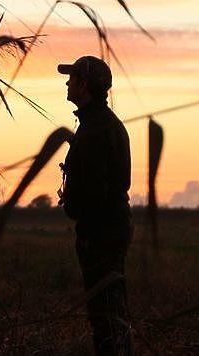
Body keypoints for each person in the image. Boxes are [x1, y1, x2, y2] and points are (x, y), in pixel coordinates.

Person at [57, 56, 133, 355]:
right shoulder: (107, 125)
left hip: (100, 236)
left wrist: (74, 207)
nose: (67, 82)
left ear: (84, 85)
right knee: (113, 312)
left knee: (105, 316)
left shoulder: (94, 131)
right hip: (111, 230)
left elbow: (97, 193)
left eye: (72, 78)